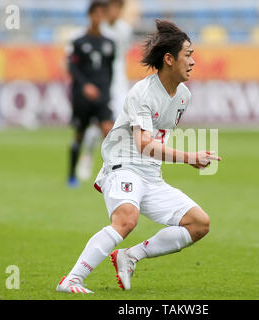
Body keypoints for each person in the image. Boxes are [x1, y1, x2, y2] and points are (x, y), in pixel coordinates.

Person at [56, 19, 222, 294]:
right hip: (123, 166)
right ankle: (71, 279)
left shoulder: (183, 96)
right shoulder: (142, 93)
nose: (193, 61)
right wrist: (188, 157)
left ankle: (130, 256)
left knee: (199, 223)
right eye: (188, 55)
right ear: (169, 59)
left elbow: (157, 141)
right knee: (126, 220)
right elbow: (144, 143)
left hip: (151, 176)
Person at [77, 0, 133, 181]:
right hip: (101, 81)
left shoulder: (125, 29)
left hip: (119, 83)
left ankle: (115, 163)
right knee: (97, 122)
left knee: (120, 123)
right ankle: (87, 156)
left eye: (119, 7)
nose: (115, 11)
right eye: (113, 7)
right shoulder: (99, 30)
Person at [67, 1, 115, 187]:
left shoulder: (109, 43)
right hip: (82, 97)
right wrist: (85, 86)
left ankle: (111, 175)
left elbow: (109, 71)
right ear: (90, 15)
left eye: (102, 14)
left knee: (109, 132)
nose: (98, 17)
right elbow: (72, 67)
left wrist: (107, 93)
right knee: (79, 134)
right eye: (95, 14)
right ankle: (71, 175)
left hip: (102, 96)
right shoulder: (79, 42)